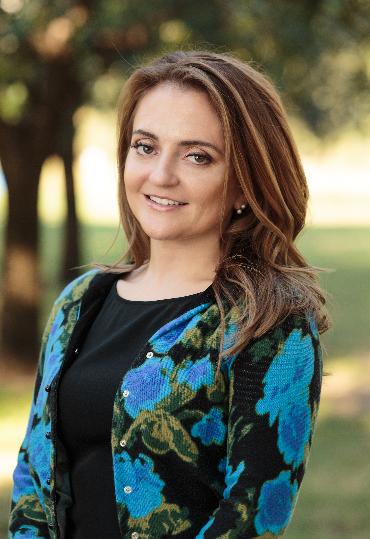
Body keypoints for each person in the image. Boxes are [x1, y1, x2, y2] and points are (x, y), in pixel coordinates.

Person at [9, 51, 329, 539]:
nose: (161, 175)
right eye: (145, 147)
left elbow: (253, 517)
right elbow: (34, 472)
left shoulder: (269, 323)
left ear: (245, 182)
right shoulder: (78, 302)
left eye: (197, 156)